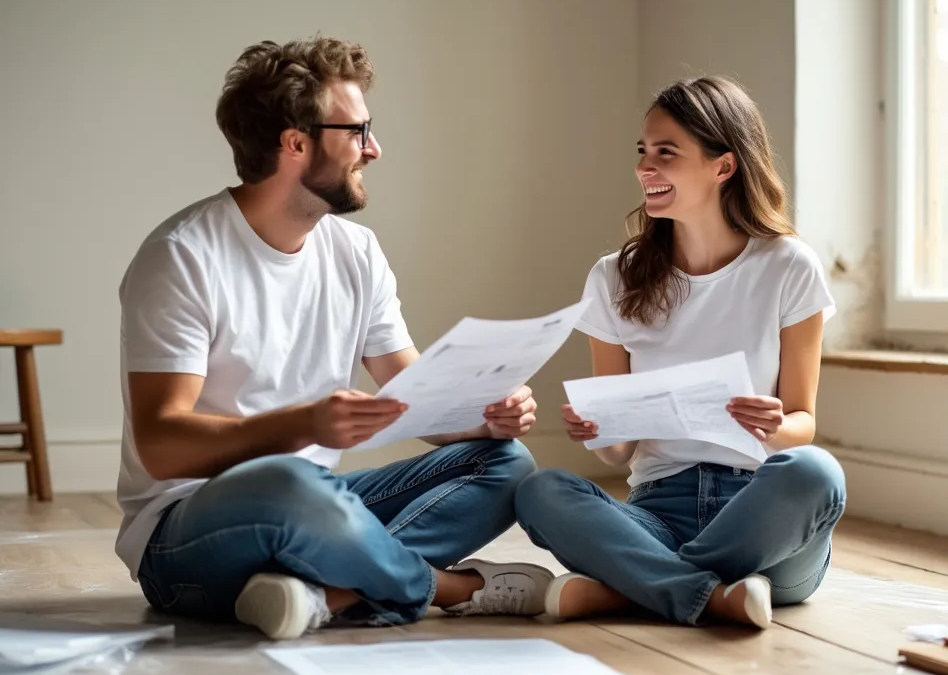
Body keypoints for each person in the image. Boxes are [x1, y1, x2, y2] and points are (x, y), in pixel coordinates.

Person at [112, 35, 554, 640]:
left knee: (507, 464)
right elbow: (162, 444)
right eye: (357, 131)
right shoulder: (182, 256)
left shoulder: (356, 252)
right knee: (291, 479)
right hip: (187, 534)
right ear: (295, 143)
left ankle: (327, 594)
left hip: (317, 506)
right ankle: (444, 589)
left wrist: (484, 417)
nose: (374, 149)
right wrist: (302, 426)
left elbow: (410, 395)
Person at [513, 76, 847, 630]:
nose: (646, 167)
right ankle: (711, 596)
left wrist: (773, 426)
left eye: (666, 153)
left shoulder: (789, 266)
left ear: (724, 166)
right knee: (540, 489)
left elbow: (803, 423)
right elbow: (619, 456)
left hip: (763, 525)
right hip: (657, 514)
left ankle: (632, 590)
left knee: (816, 471)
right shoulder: (613, 277)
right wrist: (601, 429)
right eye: (643, 152)